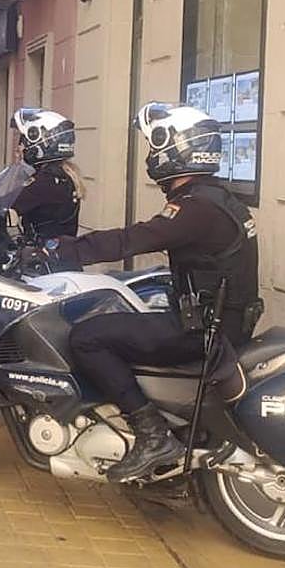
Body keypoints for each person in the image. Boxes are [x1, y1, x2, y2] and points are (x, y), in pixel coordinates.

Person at [48, 102, 259, 484]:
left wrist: (63, 250)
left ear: (177, 149)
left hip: (204, 333)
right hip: (219, 323)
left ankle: (151, 434)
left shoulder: (196, 207)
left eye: (154, 145)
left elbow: (136, 238)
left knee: (87, 337)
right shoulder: (219, 199)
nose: (151, 155)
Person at [10, 108, 85, 239]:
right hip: (59, 248)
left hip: (46, 250)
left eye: (24, 141)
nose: (20, 147)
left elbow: (10, 203)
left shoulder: (47, 181)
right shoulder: (62, 175)